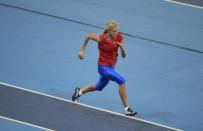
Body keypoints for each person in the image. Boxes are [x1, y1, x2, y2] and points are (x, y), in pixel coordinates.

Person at [72, 20, 137, 116]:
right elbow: (88, 36)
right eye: (114, 31)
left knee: (99, 87)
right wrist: (82, 51)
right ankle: (127, 109)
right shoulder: (101, 38)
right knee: (121, 81)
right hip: (103, 67)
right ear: (109, 31)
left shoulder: (119, 37)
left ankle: (79, 92)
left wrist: (122, 48)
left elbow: (123, 56)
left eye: (117, 31)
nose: (116, 33)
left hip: (111, 68)